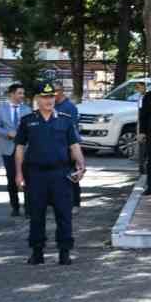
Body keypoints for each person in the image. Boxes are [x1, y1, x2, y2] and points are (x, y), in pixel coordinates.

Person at [15, 80, 87, 265]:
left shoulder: (65, 120)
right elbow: (20, 149)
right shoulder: (28, 121)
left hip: (60, 174)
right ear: (37, 99)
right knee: (36, 215)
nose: (49, 100)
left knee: (64, 215)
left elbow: (74, 145)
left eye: (51, 96)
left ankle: (64, 252)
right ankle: (37, 252)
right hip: (36, 175)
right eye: (45, 97)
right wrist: (19, 173)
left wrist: (81, 165)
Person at [0, 83, 27, 216]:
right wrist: (7, 133)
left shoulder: (27, 109)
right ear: (12, 94)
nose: (22, 96)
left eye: (23, 93)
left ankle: (29, 207)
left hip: (24, 149)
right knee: (11, 178)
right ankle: (15, 206)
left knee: (27, 177)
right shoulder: (2, 109)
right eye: (19, 93)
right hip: (7, 148)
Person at [55, 81, 82, 209]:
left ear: (61, 91)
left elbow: (73, 129)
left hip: (68, 146)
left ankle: (75, 203)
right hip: (56, 147)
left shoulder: (69, 107)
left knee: (72, 175)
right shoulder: (53, 105)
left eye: (55, 91)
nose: (53, 94)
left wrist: (73, 150)